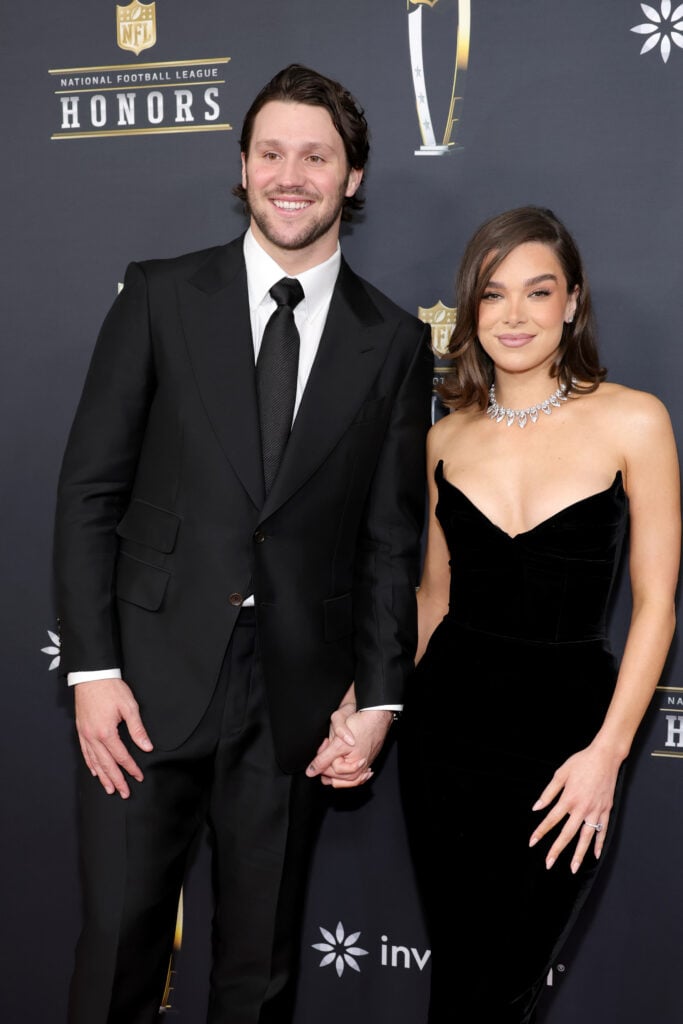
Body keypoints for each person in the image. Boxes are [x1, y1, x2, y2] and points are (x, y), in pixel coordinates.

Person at [54, 63, 433, 1024]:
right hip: (143, 685)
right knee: (116, 954)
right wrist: (92, 671)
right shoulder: (159, 294)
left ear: (353, 178)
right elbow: (89, 492)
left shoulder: (390, 340)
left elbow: (392, 538)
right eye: (271, 152)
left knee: (258, 975)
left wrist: (380, 694)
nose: (290, 174)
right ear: (243, 167)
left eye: (316, 155)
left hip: (293, 706)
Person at [397, 205, 680, 1023]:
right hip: (444, 736)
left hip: (566, 743)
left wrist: (607, 754)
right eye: (492, 295)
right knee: (457, 982)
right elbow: (434, 597)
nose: (513, 315)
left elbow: (657, 603)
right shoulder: (445, 437)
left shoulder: (634, 418)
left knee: (507, 982)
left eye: (536, 292)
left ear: (573, 303)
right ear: (471, 311)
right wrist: (375, 704)